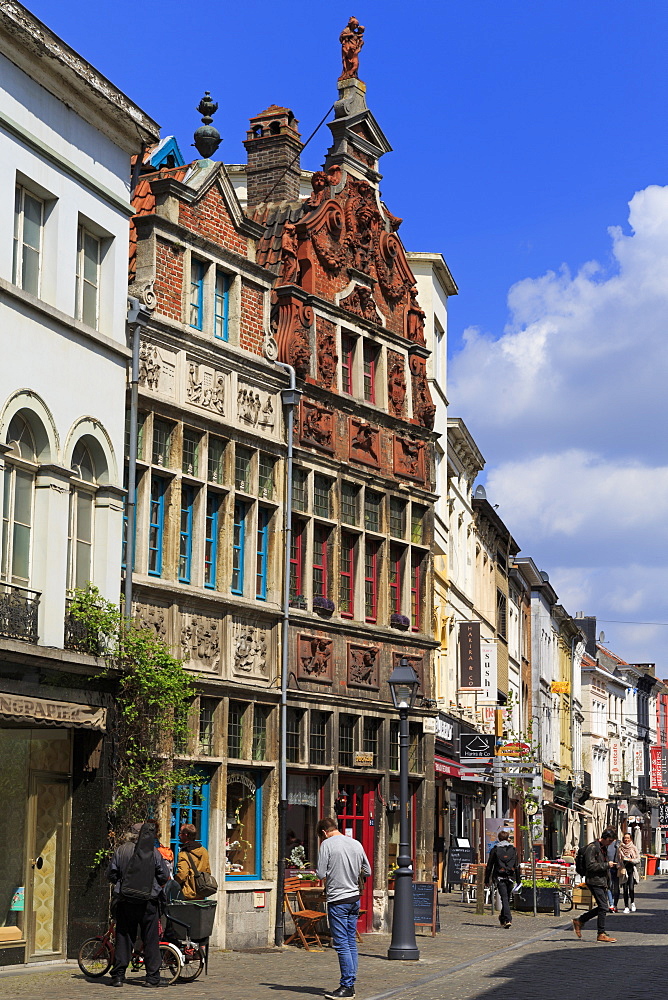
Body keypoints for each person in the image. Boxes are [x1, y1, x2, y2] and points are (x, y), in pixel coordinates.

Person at [107, 821, 170, 987]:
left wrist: (123, 883)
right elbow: (164, 875)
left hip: (126, 899)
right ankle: (152, 978)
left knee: (123, 937)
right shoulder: (154, 853)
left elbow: (111, 874)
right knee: (150, 939)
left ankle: (118, 976)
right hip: (148, 901)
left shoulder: (121, 850)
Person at [317, 817, 371, 1000]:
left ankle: (347, 986)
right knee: (350, 941)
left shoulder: (327, 844)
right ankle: (351, 984)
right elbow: (368, 870)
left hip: (338, 899)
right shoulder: (355, 843)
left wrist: (336, 873)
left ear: (324, 832)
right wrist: (351, 872)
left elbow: (320, 873)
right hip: (354, 898)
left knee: (341, 944)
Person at [572, 828, 618, 943]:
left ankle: (581, 920)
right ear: (606, 838)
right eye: (610, 841)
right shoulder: (593, 848)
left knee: (603, 907)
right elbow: (590, 866)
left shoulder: (602, 848)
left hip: (601, 881)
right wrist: (607, 865)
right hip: (594, 881)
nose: (611, 843)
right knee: (603, 907)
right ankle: (600, 933)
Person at [484, 829, 521, 929]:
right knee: (506, 898)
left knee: (504, 898)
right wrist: (518, 879)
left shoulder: (495, 850)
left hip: (500, 876)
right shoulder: (514, 850)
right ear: (508, 838)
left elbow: (489, 866)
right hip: (511, 876)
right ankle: (505, 918)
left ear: (499, 839)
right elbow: (517, 865)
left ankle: (506, 918)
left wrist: (486, 880)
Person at [174, 823, 212, 900]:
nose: (179, 836)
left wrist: (174, 882)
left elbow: (182, 875)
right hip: (201, 891)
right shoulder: (203, 851)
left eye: (180, 833)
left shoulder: (183, 854)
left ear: (186, 835)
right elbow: (208, 871)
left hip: (188, 893)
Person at [618, 831, 641, 912]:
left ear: (630, 839)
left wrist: (631, 860)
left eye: (628, 838)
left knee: (631, 888)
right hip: (623, 870)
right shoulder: (620, 848)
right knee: (624, 889)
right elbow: (618, 859)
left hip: (631, 870)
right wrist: (620, 861)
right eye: (625, 838)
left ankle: (632, 903)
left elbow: (638, 859)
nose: (626, 840)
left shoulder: (633, 848)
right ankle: (626, 906)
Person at [606, 836, 620, 912]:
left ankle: (615, 904)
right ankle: (611, 904)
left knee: (616, 888)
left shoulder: (618, 843)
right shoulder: (606, 844)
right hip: (608, 867)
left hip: (617, 868)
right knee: (609, 886)